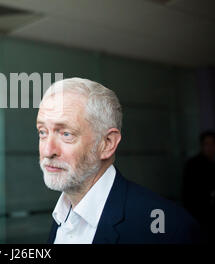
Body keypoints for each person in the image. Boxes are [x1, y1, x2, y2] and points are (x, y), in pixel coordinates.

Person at [37, 77, 202, 244]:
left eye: (66, 134)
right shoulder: (62, 215)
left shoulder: (171, 229)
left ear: (107, 143)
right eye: (43, 132)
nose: (48, 151)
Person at [183, 131, 215, 244]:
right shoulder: (193, 165)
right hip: (203, 219)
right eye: (206, 144)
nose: (209, 147)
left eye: (212, 144)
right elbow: (189, 195)